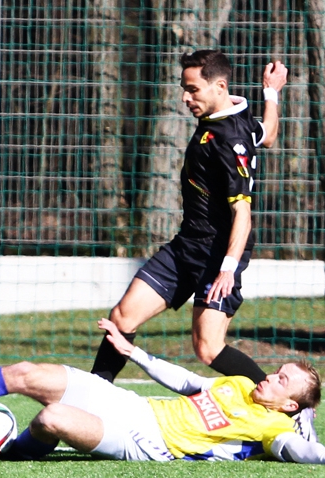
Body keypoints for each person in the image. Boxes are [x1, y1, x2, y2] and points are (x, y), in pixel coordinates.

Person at [0, 319, 325, 468]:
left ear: (290, 405)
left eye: (283, 380)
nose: (271, 377)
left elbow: (294, 449)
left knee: (52, 419)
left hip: (144, 444)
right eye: (278, 371)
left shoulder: (273, 427)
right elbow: (187, 381)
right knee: (26, 373)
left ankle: (2, 448)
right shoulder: (242, 385)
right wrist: (135, 354)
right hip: (134, 406)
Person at [91, 49, 288, 385]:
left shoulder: (230, 140)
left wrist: (228, 267)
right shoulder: (234, 116)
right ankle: (93, 395)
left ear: (219, 87)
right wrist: (271, 92)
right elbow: (267, 135)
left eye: (193, 90)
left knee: (208, 348)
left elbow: (242, 212)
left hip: (218, 254)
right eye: (184, 88)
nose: (185, 97)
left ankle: (283, 403)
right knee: (122, 318)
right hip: (187, 244)